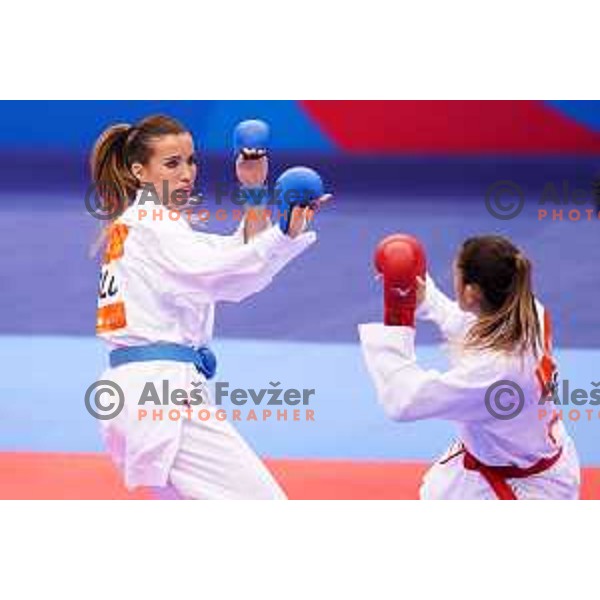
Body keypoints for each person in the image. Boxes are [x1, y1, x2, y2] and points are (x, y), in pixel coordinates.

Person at [91, 114, 327, 499]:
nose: (187, 173)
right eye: (172, 163)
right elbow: (225, 276)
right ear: (139, 170)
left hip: (143, 391)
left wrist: (253, 188)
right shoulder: (152, 225)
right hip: (161, 394)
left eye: (190, 160)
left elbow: (237, 257)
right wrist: (283, 234)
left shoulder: (148, 223)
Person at [359, 234, 580, 499]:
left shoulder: (495, 373)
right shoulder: (527, 310)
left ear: (471, 292)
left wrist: (399, 319)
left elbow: (404, 401)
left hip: (520, 488)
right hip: (520, 455)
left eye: (456, 276)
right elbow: (473, 326)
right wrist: (425, 297)